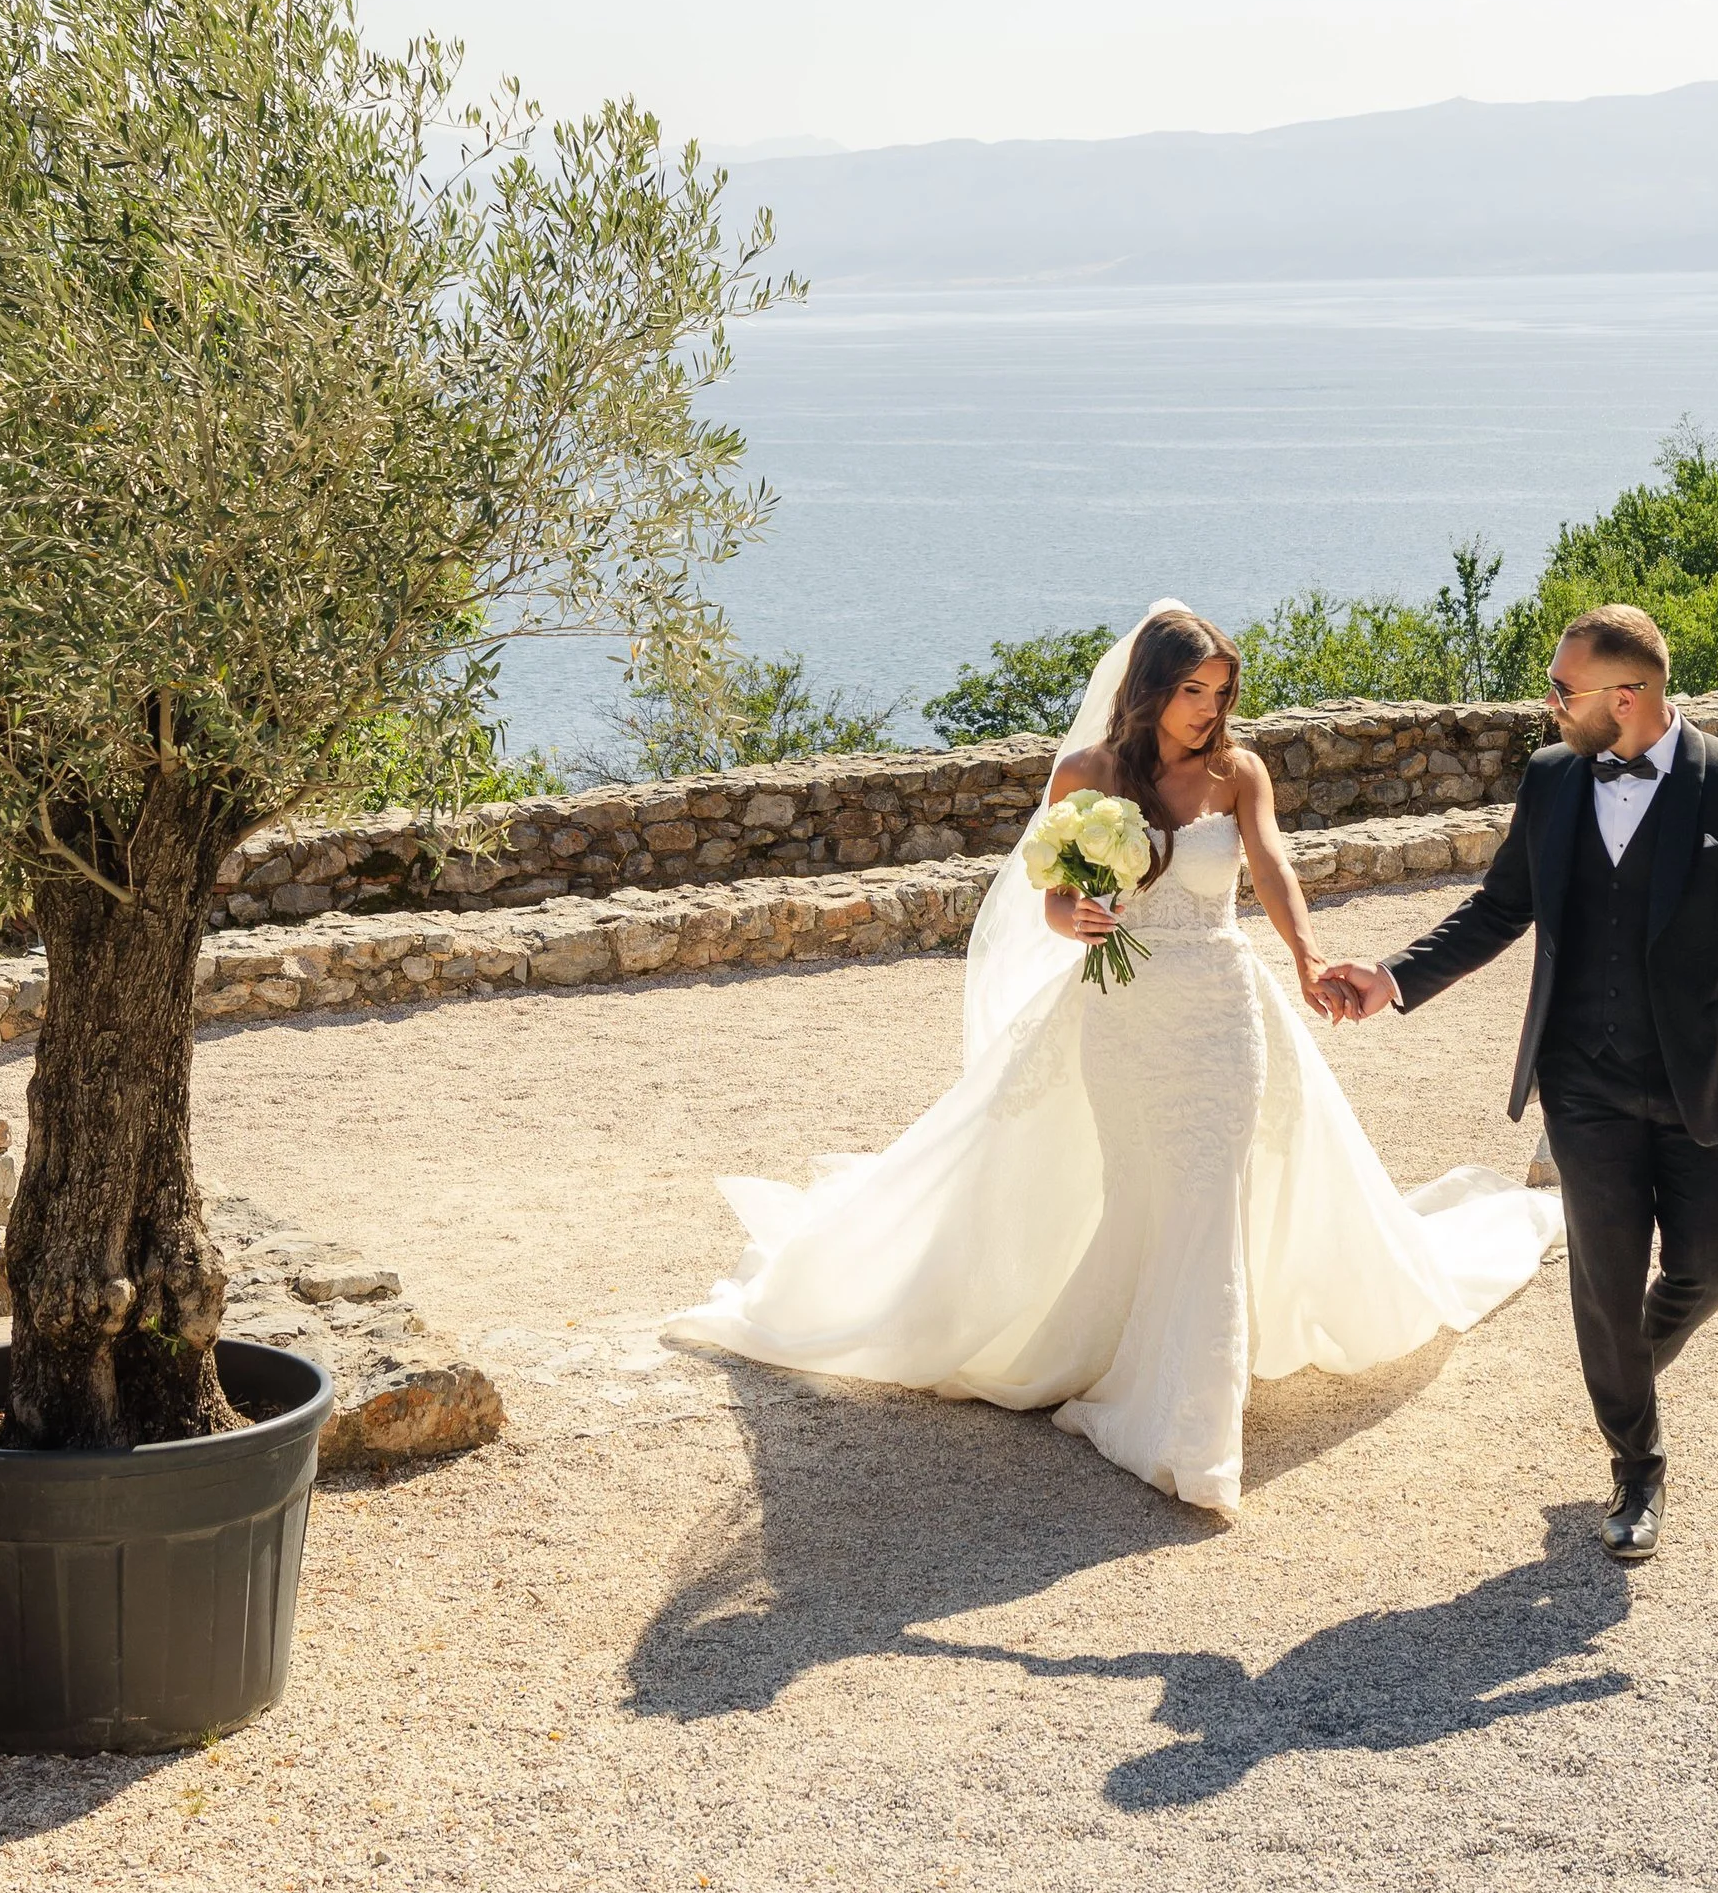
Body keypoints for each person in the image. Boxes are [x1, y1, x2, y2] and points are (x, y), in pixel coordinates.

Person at [664, 604, 1561, 1516]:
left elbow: (1275, 867)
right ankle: (1139, 1352)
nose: (1207, 710)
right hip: (1122, 1016)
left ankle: (1192, 1422)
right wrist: (1080, 918)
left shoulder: (1237, 771)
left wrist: (1303, 953)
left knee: (1210, 1183)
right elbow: (1051, 901)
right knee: (1145, 1186)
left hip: (1221, 1004)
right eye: (1190, 692)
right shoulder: (1087, 776)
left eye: (1218, 693)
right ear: (1150, 689)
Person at [1320, 603, 1718, 1561]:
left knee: (1712, 1265)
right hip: (1582, 1082)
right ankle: (1637, 1465)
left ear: (1627, 697)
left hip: (1706, 1078)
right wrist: (1391, 978)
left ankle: (1623, 1368)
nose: (1550, 705)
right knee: (1602, 1281)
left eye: (1565, 690)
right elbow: (1498, 908)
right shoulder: (1553, 779)